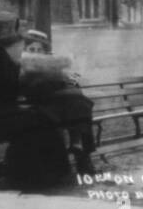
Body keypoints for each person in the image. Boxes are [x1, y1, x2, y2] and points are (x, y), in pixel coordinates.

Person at [0, 15, 70, 187]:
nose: (21, 49)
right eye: (18, 45)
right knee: (40, 120)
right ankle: (39, 173)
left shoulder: (3, 61)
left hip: (2, 114)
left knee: (43, 119)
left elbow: (13, 90)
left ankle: (43, 172)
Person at [20, 29, 96, 175]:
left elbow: (69, 80)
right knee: (81, 106)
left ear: (44, 51)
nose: (35, 52)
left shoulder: (50, 65)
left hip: (58, 107)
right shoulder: (23, 64)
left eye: (39, 49)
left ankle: (81, 153)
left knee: (80, 104)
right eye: (32, 49)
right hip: (39, 107)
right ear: (26, 49)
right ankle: (80, 150)